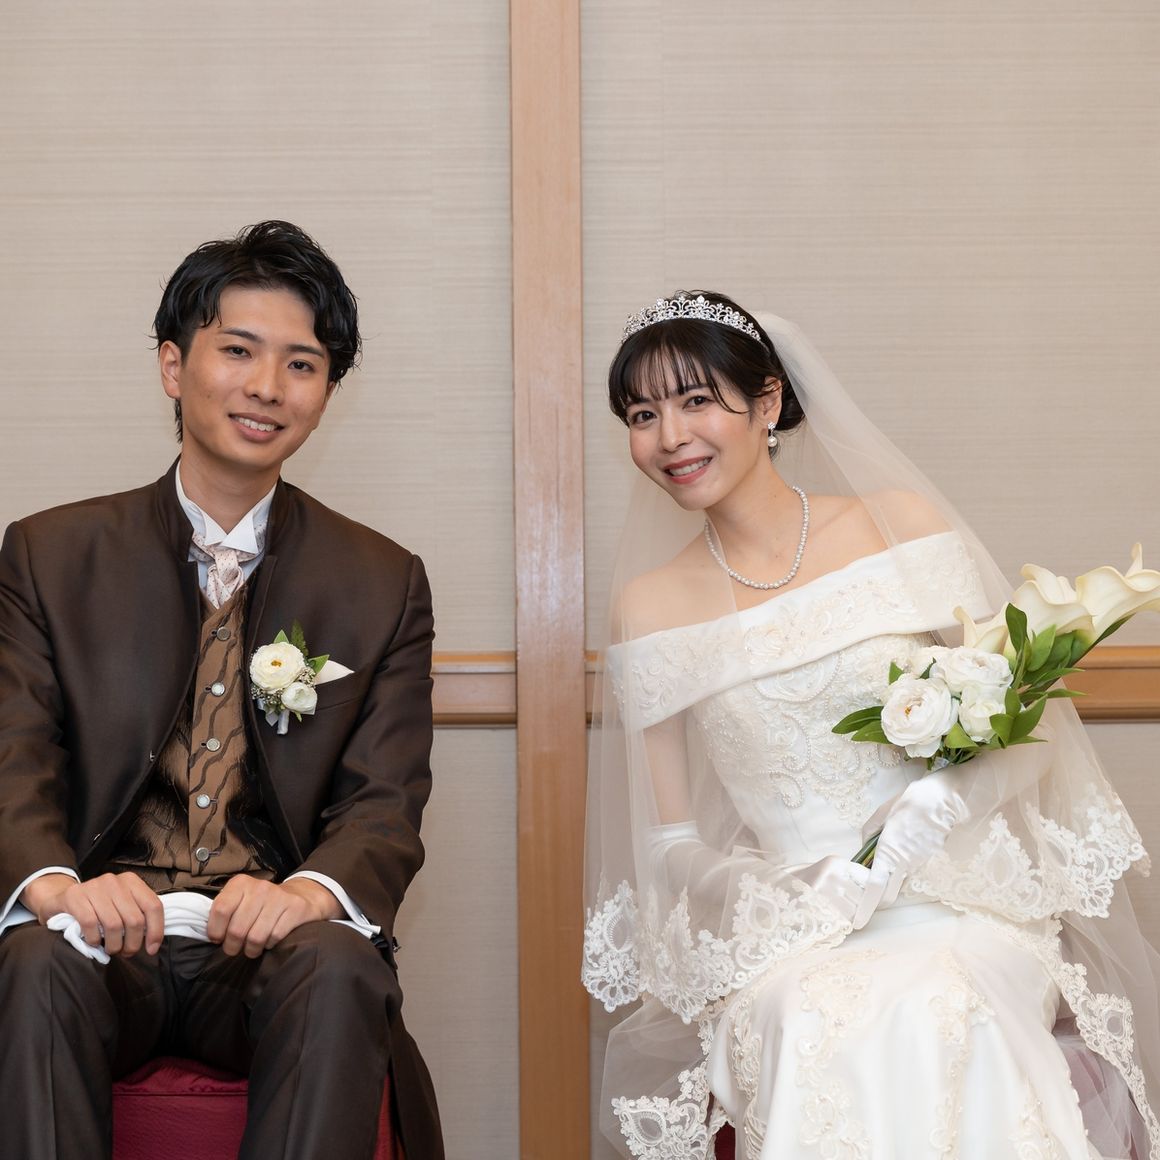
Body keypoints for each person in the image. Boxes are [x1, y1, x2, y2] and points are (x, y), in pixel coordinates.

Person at [583, 292, 1160, 1159]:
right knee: (812, 1014)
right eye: (641, 414)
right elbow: (669, 843)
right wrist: (774, 887)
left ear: (769, 401)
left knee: (937, 1004)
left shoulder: (899, 527)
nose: (670, 436)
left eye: (697, 400)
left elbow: (1026, 727)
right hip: (796, 928)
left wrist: (931, 811)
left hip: (957, 898)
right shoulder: (650, 605)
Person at [0, 220, 443, 1160]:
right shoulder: (48, 554)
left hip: (269, 950)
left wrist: (310, 892)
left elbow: (384, 802)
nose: (267, 386)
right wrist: (56, 885)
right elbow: (14, 756)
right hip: (105, 938)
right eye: (238, 351)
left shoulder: (382, 580)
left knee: (338, 964)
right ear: (174, 365)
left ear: (326, 392)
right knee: (37, 959)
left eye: (302, 364)